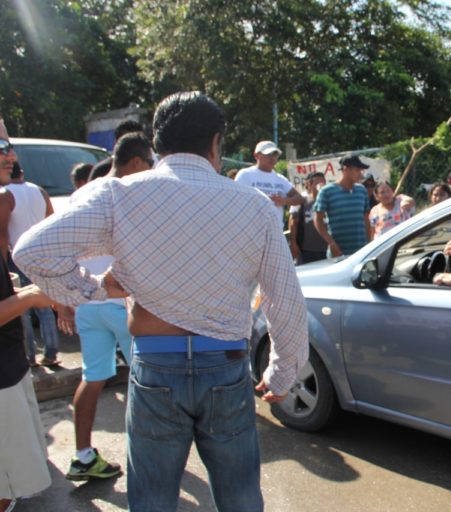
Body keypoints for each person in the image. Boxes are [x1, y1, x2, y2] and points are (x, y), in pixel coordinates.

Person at [13, 91, 308, 512]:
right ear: (215, 143)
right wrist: (282, 372)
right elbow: (285, 298)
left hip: (154, 365)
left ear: (156, 143)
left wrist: (95, 289)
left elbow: (32, 252)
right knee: (240, 497)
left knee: (152, 500)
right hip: (225, 366)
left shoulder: (118, 194)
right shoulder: (254, 206)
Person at [61, 131, 154, 483]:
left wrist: (65, 301)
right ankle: (147, 461)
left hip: (87, 300)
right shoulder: (130, 193)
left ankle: (83, 455)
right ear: (135, 162)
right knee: (145, 382)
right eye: (149, 163)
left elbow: (66, 249)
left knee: (93, 376)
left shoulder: (81, 193)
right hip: (122, 303)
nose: (151, 169)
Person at [0, 114, 52, 512]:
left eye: (9, 145)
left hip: (10, 367)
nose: (11, 155)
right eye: (1, 147)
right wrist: (31, 296)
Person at [5, 162, 59, 367]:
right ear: (22, 172)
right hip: (42, 254)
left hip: (16, 256)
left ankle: (29, 355)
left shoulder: (5, 194)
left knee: (21, 308)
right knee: (44, 304)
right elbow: (52, 221)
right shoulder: (40, 191)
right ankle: (51, 352)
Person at [234, 140, 303, 229]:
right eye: (268, 154)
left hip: (276, 231)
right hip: (251, 229)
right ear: (256, 156)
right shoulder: (245, 174)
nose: (272, 158)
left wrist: (284, 201)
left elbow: (299, 198)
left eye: (275, 154)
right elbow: (235, 199)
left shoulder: (281, 179)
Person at [314, 155, 371, 256]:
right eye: (357, 170)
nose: (361, 173)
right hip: (338, 253)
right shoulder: (326, 191)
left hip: (361, 253)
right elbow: (318, 220)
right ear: (346, 169)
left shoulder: (362, 190)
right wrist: (331, 243)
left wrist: (369, 243)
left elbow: (366, 219)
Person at [288, 171, 328, 264]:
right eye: (318, 183)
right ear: (309, 184)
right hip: (307, 249)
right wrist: (293, 243)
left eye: (323, 183)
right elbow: (293, 223)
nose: (321, 186)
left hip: (326, 247)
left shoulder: (328, 200)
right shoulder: (301, 200)